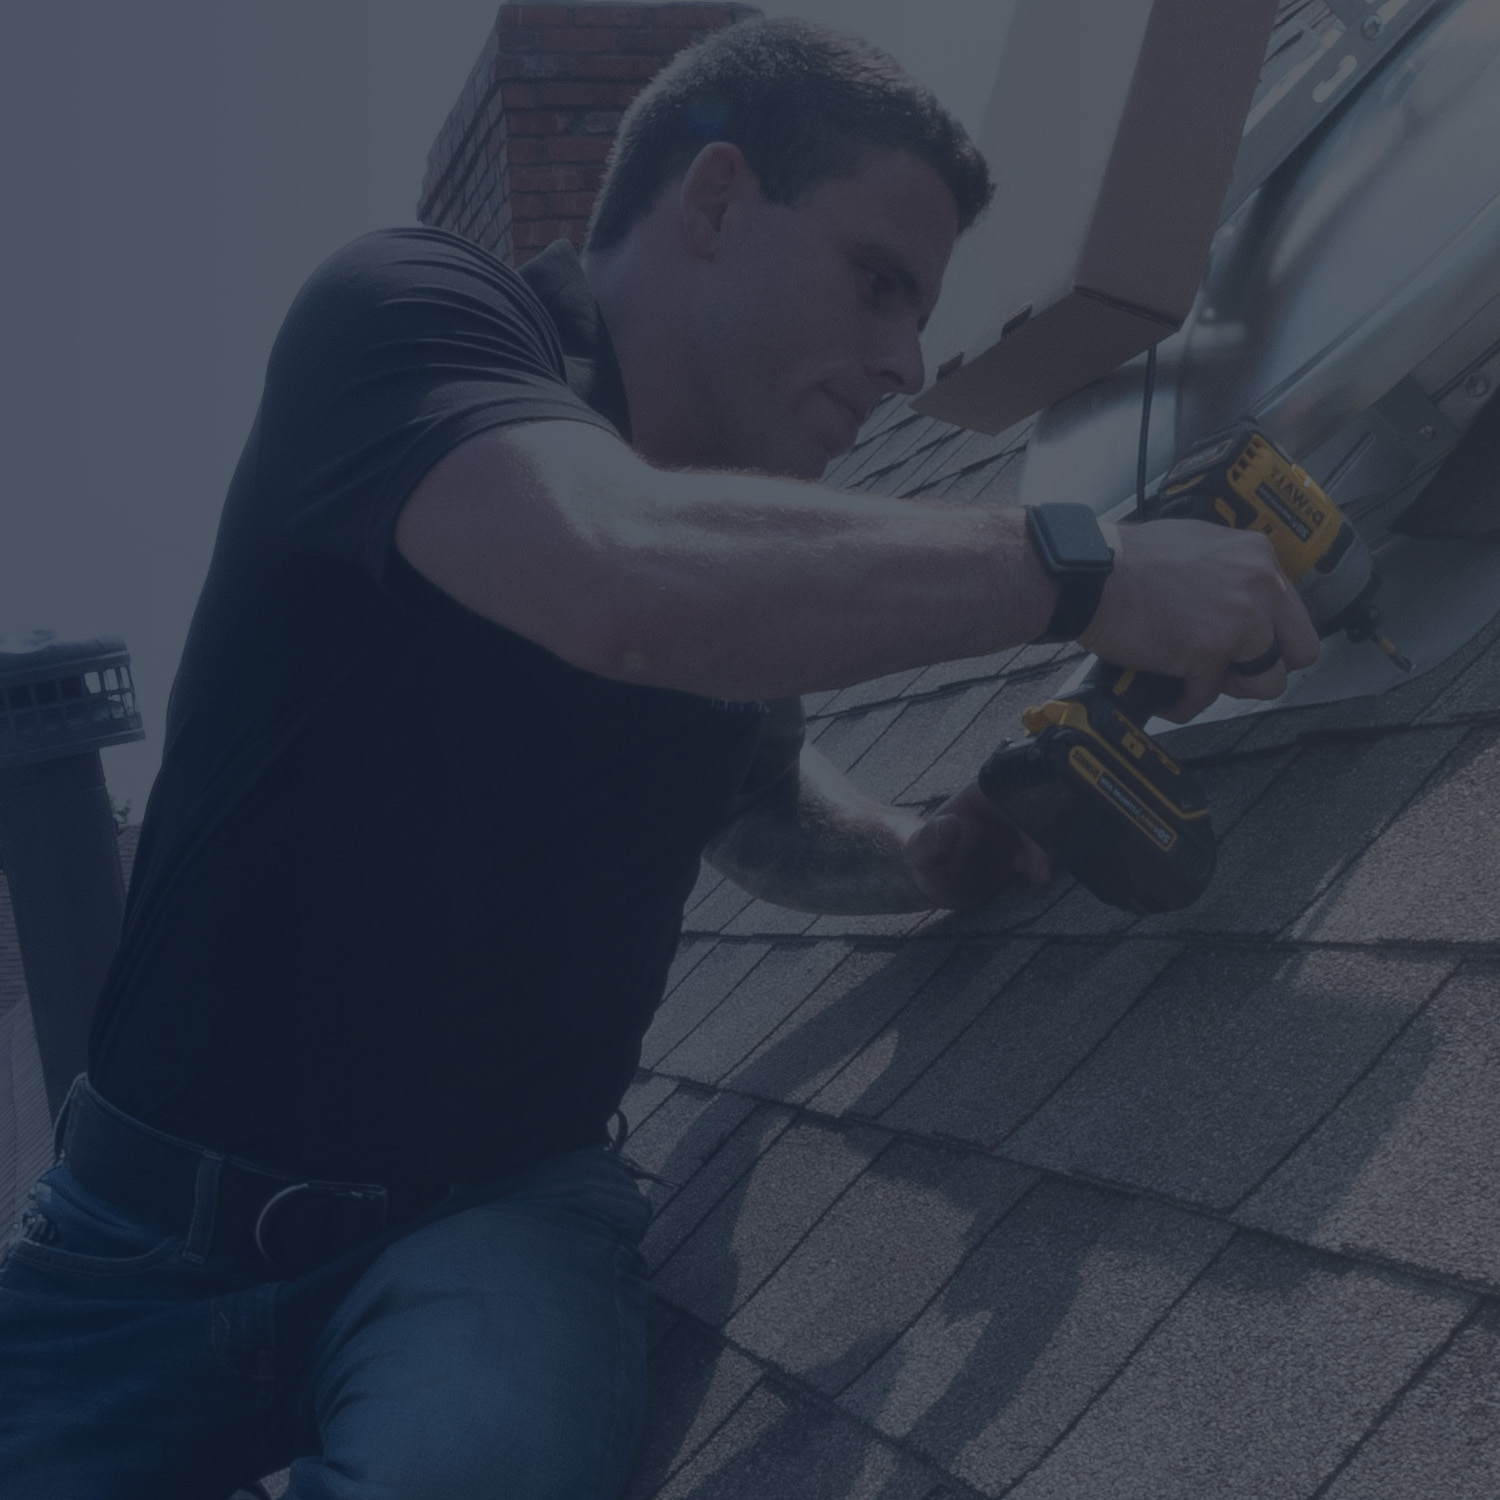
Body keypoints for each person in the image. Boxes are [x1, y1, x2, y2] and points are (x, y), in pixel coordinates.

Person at [0, 17, 1316, 1500]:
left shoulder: (753, 536)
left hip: (486, 1226)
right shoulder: (410, 320)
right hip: (132, 1246)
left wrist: (915, 855)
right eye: (877, 283)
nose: (904, 362)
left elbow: (750, 797)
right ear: (711, 202)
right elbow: (616, 576)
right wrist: (1089, 565)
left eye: (919, 312)